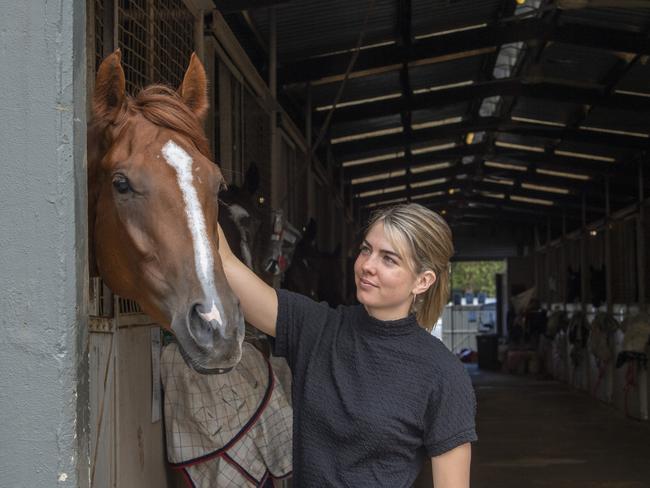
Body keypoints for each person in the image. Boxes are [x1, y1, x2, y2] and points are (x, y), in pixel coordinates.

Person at [217, 202, 476, 487]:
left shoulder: (443, 374)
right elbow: (226, 265)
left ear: (422, 281)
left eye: (388, 259)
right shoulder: (315, 328)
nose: (367, 266)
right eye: (367, 250)